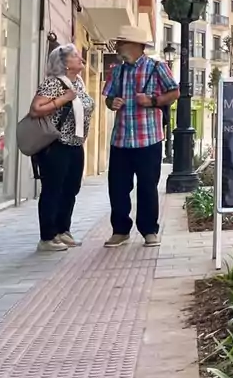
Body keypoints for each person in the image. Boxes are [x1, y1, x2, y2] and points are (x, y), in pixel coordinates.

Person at [102, 25, 180, 247]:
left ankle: (149, 231)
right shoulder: (117, 70)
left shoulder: (157, 67)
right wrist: (112, 103)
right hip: (121, 140)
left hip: (148, 139)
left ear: (136, 45)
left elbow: (174, 92)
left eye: (121, 43)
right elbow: (108, 98)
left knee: (147, 186)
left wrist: (152, 101)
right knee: (117, 187)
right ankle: (120, 230)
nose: (117, 47)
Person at [29, 44, 95, 252]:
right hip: (56, 145)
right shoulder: (53, 84)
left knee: (70, 189)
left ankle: (62, 231)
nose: (81, 59)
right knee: (52, 189)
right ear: (65, 63)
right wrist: (63, 100)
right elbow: (36, 109)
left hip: (75, 144)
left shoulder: (79, 83)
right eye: (76, 56)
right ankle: (47, 237)